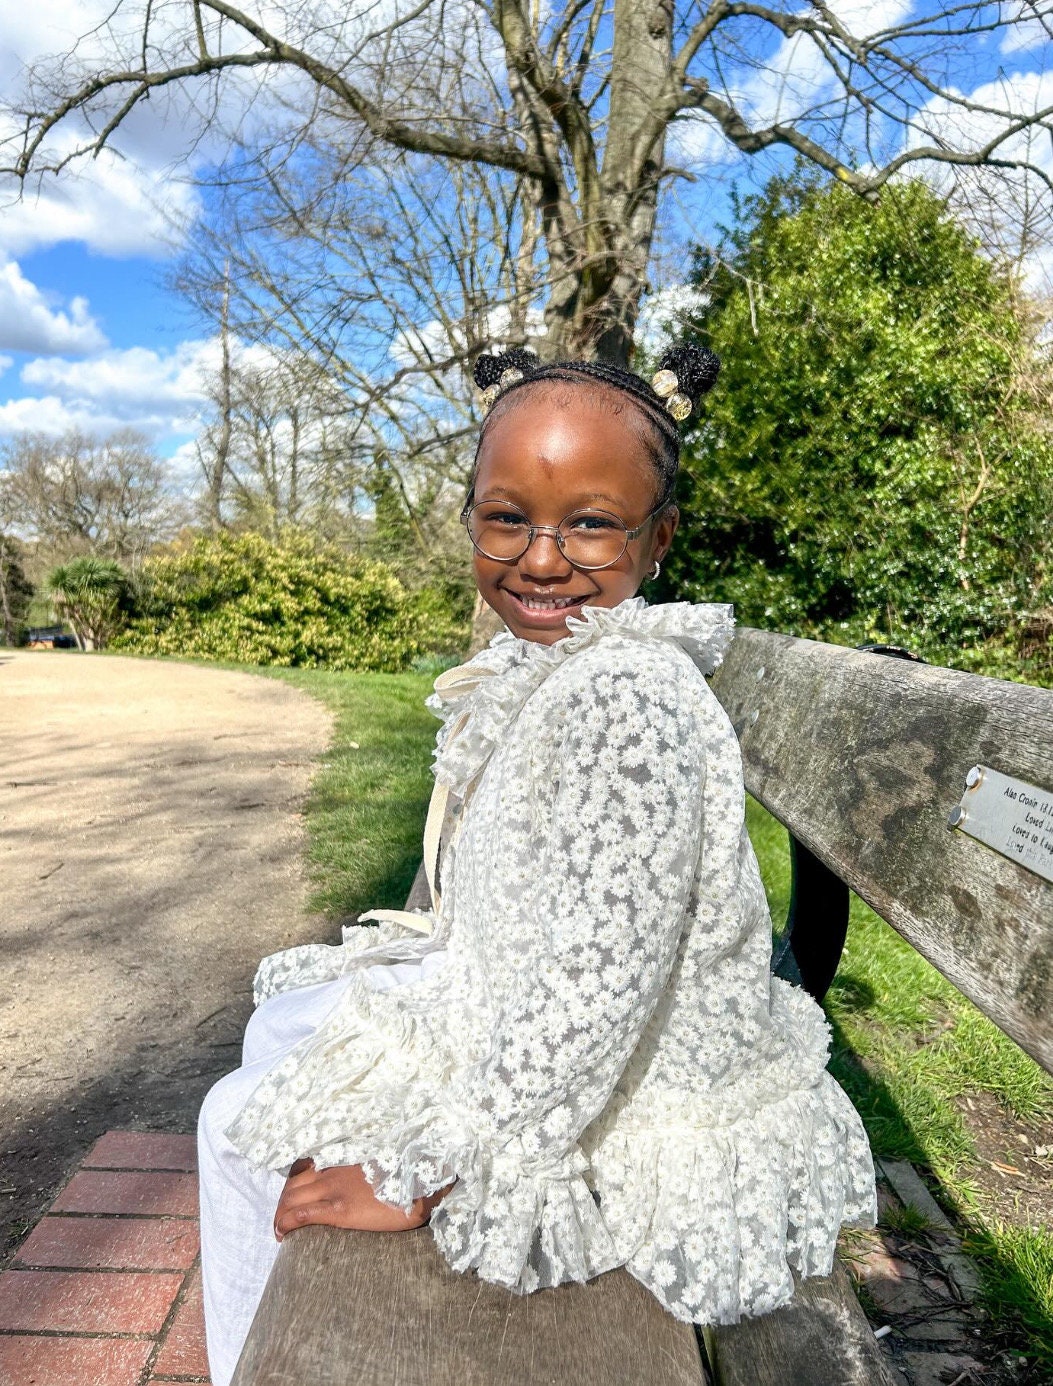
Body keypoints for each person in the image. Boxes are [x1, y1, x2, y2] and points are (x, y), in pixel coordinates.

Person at [197, 344, 877, 1385]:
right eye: (507, 517)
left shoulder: (626, 699)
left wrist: (428, 1168)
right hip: (536, 997)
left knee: (234, 1123)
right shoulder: (569, 663)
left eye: (592, 523)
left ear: (659, 540)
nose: (542, 557)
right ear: (471, 515)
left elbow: (601, 989)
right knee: (282, 1028)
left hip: (642, 1082)